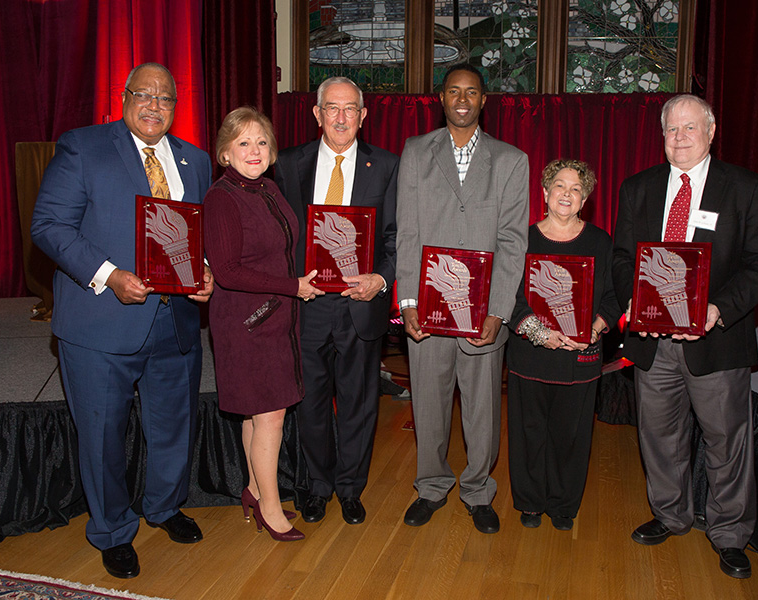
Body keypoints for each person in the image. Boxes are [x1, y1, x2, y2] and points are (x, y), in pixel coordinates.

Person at [31, 62, 213, 578]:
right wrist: (109, 275)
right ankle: (111, 530)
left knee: (174, 426)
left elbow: (195, 235)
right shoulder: (83, 147)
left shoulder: (194, 160)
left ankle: (164, 506)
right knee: (103, 433)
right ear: (125, 96)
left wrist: (203, 273)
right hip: (102, 322)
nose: (155, 105)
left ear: (176, 107)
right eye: (145, 94)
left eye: (166, 98)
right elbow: (48, 226)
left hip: (174, 321)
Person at [612, 94, 758, 579]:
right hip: (653, 340)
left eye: (690, 129)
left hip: (716, 338)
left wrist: (718, 309)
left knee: (726, 439)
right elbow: (623, 258)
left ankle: (729, 535)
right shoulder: (638, 188)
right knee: (659, 435)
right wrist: (634, 301)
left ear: (710, 133)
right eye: (672, 130)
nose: (680, 138)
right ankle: (671, 514)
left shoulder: (745, 189)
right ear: (662, 136)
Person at [396, 63, 529, 534]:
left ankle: (478, 491)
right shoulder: (414, 152)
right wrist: (407, 302)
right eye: (454, 91)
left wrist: (499, 309)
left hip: (483, 313)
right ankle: (431, 486)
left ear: (484, 101)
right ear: (441, 98)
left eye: (472, 92)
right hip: (427, 308)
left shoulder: (511, 160)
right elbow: (408, 232)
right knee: (428, 402)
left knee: (482, 407)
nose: (462, 99)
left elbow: (513, 241)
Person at [274, 77, 398, 525]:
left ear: (364, 116)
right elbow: (277, 237)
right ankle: (316, 487)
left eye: (350, 109)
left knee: (359, 403)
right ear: (317, 114)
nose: (341, 117)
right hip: (306, 305)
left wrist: (381, 279)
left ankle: (350, 489)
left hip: (360, 306)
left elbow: (396, 237)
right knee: (309, 403)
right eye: (332, 108)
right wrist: (290, 281)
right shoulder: (288, 164)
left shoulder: (387, 166)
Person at [204, 106, 323, 542]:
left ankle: (255, 490)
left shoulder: (268, 189)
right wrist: (292, 287)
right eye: (242, 143)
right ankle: (271, 509)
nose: (253, 151)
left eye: (260, 142)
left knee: (258, 414)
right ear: (224, 153)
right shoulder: (222, 197)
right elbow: (229, 271)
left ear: (271, 150)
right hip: (245, 323)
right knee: (270, 414)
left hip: (276, 319)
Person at [506, 159, 621, 531]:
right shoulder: (521, 239)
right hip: (530, 355)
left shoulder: (600, 241)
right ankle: (529, 502)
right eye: (559, 186)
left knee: (571, 437)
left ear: (584, 198)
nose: (566, 194)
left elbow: (615, 294)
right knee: (529, 432)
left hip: (580, 356)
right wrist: (539, 332)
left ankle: (564, 506)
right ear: (544, 193)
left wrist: (597, 327)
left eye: (575, 188)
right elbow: (509, 294)